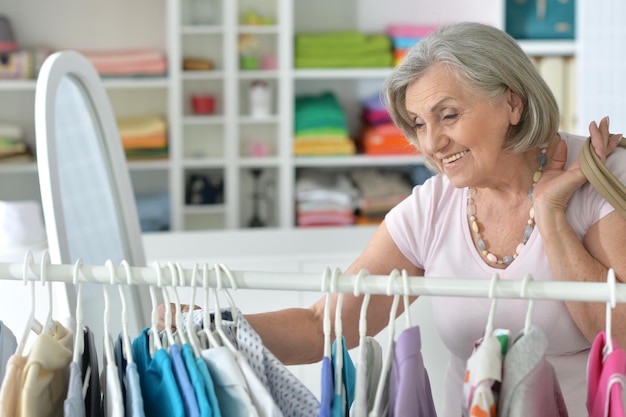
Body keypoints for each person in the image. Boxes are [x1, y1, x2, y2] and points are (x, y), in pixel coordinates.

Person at [162, 22, 626, 416]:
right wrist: (214, 325)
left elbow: (620, 337)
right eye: (419, 124)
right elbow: (326, 322)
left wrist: (550, 213)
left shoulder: (601, 175)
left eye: (448, 115)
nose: (432, 144)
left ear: (512, 103)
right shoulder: (432, 207)